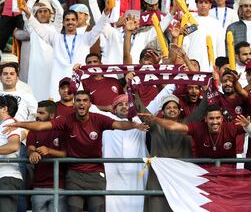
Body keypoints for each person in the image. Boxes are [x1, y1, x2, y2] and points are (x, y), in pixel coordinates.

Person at [6, 90, 148, 212]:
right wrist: (18, 124)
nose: (81, 103)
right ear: (74, 104)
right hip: (74, 173)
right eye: (78, 100)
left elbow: (119, 124)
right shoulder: (67, 120)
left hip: (95, 172)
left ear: (90, 104)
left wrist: (135, 125)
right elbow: (40, 126)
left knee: (97, 208)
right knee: (74, 209)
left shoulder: (98, 118)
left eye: (85, 100)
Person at [20, 0, 113, 101]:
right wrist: (28, 13)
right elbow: (38, 28)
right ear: (63, 23)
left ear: (77, 22)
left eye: (73, 19)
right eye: (67, 20)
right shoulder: (56, 38)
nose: (70, 22)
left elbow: (98, 28)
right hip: (58, 79)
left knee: (79, 106)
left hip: (79, 79)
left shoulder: (85, 38)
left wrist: (106, 12)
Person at [139, 104, 244, 159]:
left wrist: (249, 125)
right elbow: (173, 126)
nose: (215, 121)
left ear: (222, 118)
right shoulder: (198, 127)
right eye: (211, 118)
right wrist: (155, 119)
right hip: (205, 172)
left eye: (218, 118)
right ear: (205, 119)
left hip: (227, 173)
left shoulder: (231, 127)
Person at [26, 100, 68, 212]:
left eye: (41, 113)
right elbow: (29, 148)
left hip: (60, 186)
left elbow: (66, 154)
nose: (37, 116)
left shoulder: (62, 130)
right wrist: (32, 153)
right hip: (38, 185)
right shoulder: (33, 130)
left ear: (52, 115)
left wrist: (49, 150)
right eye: (37, 112)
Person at [23, 0, 64, 101]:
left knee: (53, 94)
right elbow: (25, 11)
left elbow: (60, 11)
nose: (43, 14)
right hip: (36, 67)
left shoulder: (55, 28)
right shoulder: (32, 28)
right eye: (40, 12)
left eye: (45, 11)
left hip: (52, 65)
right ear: (35, 15)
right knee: (36, 95)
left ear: (50, 14)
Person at [183, 0, 225, 72]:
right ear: (196, 4)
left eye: (206, 2)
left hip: (212, 62)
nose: (203, 5)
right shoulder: (190, 22)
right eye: (200, 2)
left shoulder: (216, 23)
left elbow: (220, 45)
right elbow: (185, 43)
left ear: (210, 5)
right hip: (193, 60)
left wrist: (221, 65)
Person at [0, 95, 23, 212]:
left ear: (4, 108)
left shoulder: (9, 124)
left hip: (6, 177)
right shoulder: (6, 124)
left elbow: (14, 145)